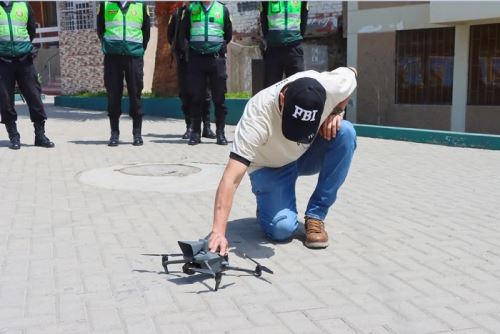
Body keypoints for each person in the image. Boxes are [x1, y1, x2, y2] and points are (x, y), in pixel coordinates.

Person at [208, 67, 358, 254]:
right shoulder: (257, 116)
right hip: (270, 167)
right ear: (282, 99)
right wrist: (218, 232)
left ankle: (316, 215)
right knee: (282, 230)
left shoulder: (330, 86)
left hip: (305, 156)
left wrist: (337, 111)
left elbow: (352, 73)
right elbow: (231, 178)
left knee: (345, 132)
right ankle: (267, 207)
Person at [0, 0, 54, 150]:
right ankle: (14, 136)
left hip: (24, 60)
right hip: (2, 61)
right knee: (5, 100)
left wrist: (24, 48)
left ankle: (40, 136)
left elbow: (31, 30)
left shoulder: (24, 5)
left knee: (34, 96)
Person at [97, 1, 151, 147]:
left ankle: (137, 133)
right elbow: (100, 29)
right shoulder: (105, 5)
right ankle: (114, 133)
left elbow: (146, 32)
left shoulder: (141, 6)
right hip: (112, 57)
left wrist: (138, 50)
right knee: (113, 94)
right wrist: (107, 46)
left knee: (135, 94)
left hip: (134, 57)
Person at [181, 1, 232, 146]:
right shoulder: (191, 9)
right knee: (196, 97)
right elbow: (184, 33)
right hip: (196, 60)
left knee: (219, 98)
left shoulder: (222, 9)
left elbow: (228, 34)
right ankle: (195, 133)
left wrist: (219, 47)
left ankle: (220, 134)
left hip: (216, 59)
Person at [167, 2, 215, 140]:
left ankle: (206, 127)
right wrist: (181, 50)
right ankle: (190, 126)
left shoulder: (202, 11)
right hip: (184, 61)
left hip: (201, 58)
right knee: (186, 94)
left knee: (205, 93)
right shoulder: (177, 14)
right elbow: (170, 36)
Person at [260, 1, 308, 87]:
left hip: (294, 47)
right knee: (270, 86)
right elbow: (263, 19)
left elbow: (304, 17)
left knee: (297, 85)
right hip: (274, 49)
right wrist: (271, 38)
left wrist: (296, 37)